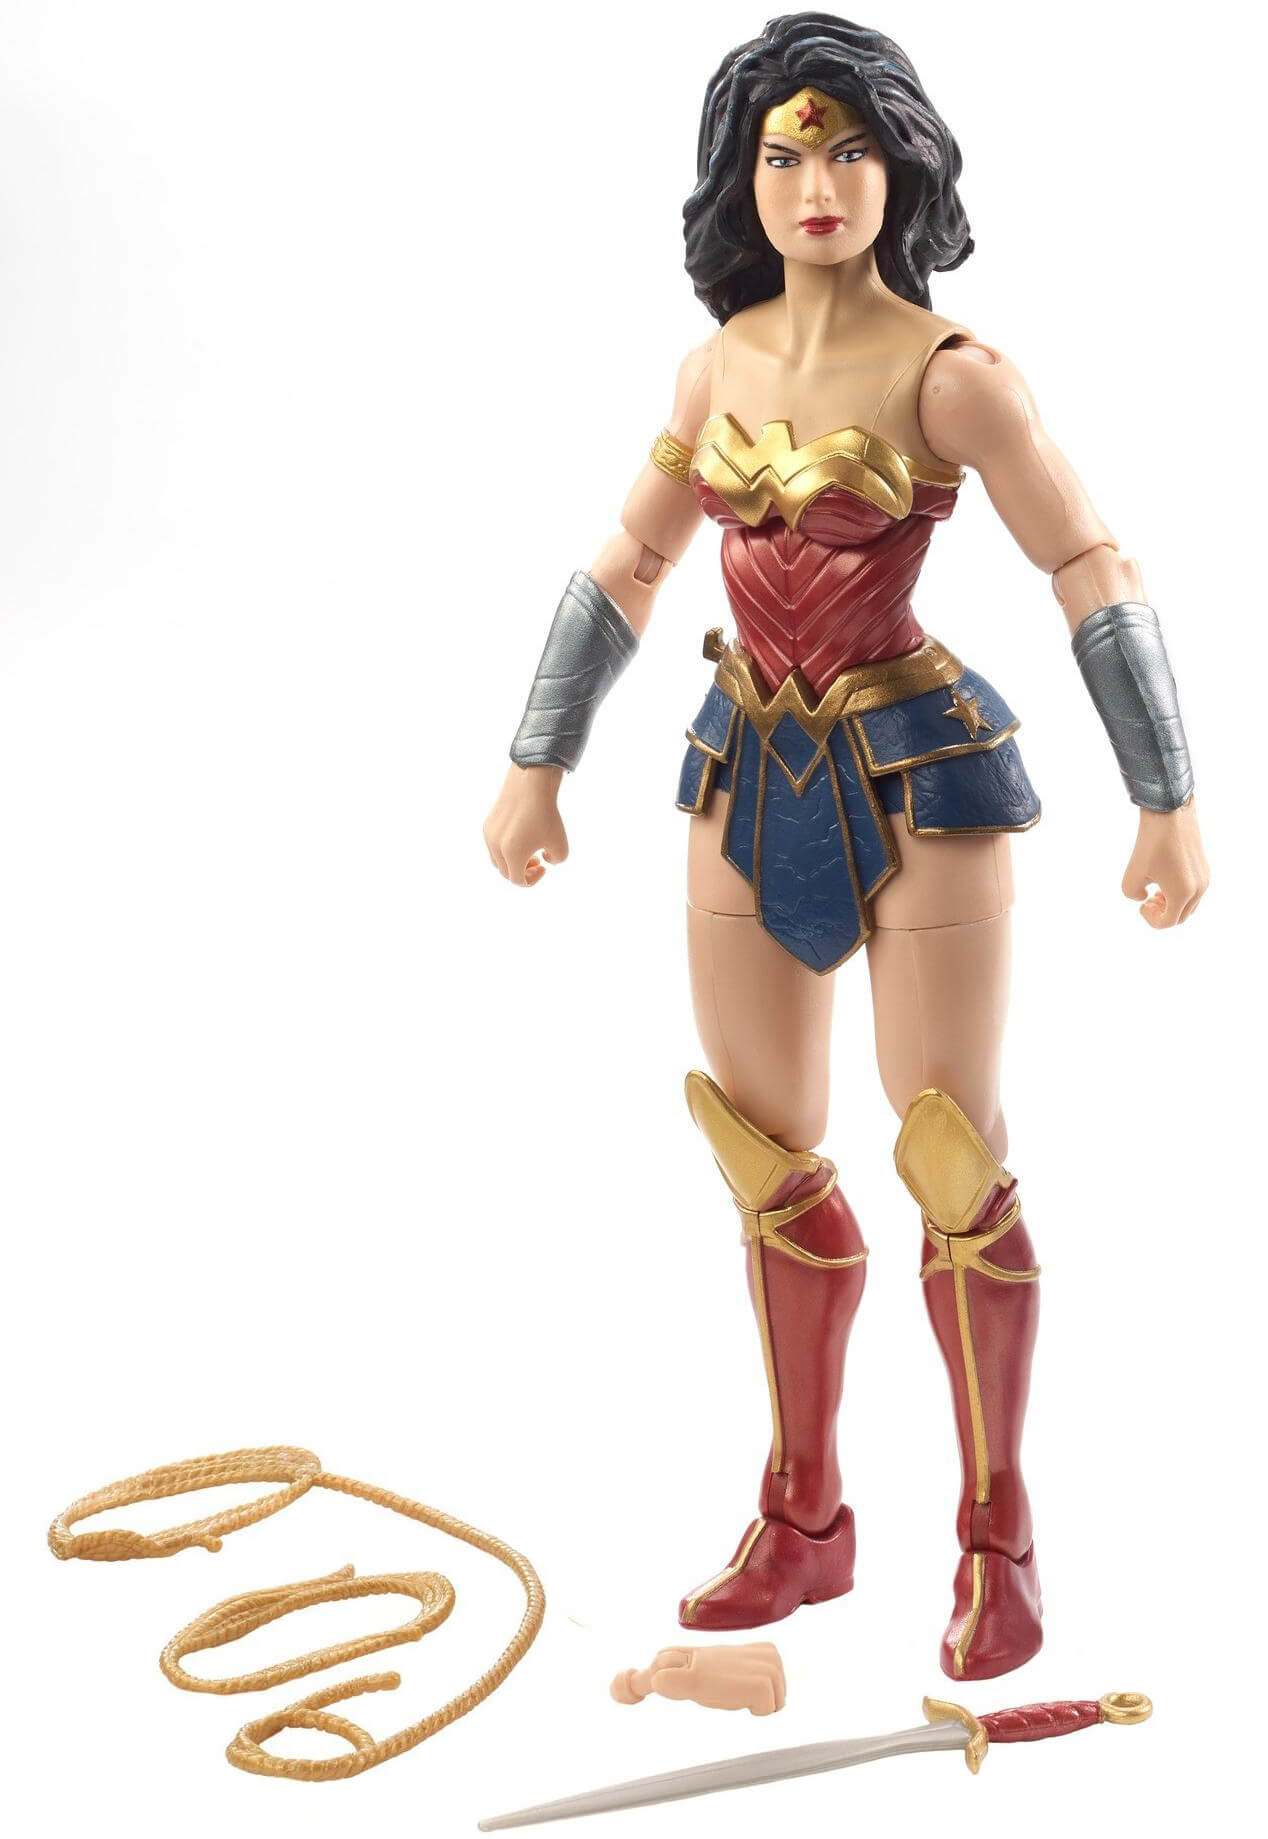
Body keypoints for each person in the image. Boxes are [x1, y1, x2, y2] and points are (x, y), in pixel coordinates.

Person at [483, 12, 1208, 1681]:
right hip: (745, 768)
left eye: (850, 147)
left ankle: (996, 1535)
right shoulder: (714, 368)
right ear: (743, 180)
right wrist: (537, 761)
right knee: (765, 1155)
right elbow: (630, 563)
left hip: (920, 778)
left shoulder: (956, 376)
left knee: (950, 1157)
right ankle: (805, 1513)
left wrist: (1166, 790)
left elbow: (1090, 562)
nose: (817, 182)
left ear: (903, 165)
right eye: (784, 152)